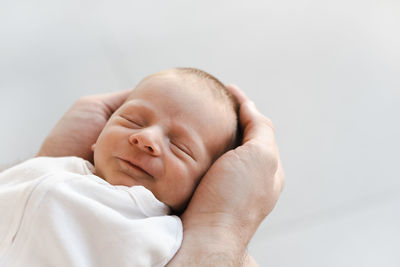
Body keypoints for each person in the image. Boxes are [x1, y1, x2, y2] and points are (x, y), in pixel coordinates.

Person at [6, 70, 284, 266]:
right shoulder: (54, 166)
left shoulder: (168, 239)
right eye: (133, 120)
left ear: (202, 188)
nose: (146, 138)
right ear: (96, 138)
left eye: (180, 147)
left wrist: (222, 227)